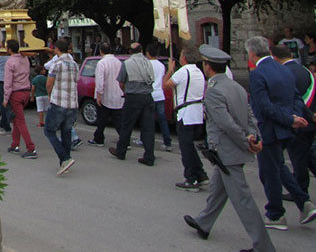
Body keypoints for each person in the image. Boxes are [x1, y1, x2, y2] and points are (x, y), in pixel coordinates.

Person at [183, 44, 275, 252]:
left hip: (227, 151)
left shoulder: (214, 91)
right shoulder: (236, 87)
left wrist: (246, 141)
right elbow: (250, 115)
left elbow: (225, 124)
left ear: (208, 67)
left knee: (243, 201)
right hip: (231, 151)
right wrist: (254, 136)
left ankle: (263, 246)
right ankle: (204, 223)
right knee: (218, 189)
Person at [245, 36, 316, 229]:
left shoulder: (258, 74)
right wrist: (293, 117)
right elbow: (296, 97)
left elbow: (263, 106)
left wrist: (289, 118)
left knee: (270, 173)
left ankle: (276, 214)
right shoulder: (283, 70)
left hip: (269, 129)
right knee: (277, 168)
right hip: (285, 128)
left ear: (251, 54)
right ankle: (304, 203)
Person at [270, 44, 316, 195]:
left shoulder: (283, 73)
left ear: (275, 57)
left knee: (298, 158)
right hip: (310, 119)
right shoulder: (305, 70)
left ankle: (300, 190)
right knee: (306, 156)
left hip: (296, 120)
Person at [163, 43, 208, 191]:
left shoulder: (184, 71)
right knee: (190, 146)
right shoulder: (199, 72)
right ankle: (200, 174)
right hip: (196, 112)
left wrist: (170, 70)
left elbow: (166, 85)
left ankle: (191, 178)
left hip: (186, 113)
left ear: (184, 58)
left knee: (186, 147)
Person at [109, 42, 155, 166]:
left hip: (133, 97)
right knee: (148, 128)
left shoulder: (127, 63)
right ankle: (149, 156)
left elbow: (121, 81)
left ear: (130, 51)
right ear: (141, 50)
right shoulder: (148, 62)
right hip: (148, 96)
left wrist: (126, 91)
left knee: (127, 125)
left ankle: (121, 150)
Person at [44, 39, 79, 175]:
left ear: (57, 49)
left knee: (49, 131)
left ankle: (65, 158)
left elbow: (49, 83)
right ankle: (64, 163)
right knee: (66, 132)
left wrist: (50, 94)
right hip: (72, 103)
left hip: (58, 102)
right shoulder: (75, 64)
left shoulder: (56, 64)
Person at [4, 39, 37, 159]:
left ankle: (31, 147)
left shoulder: (10, 62)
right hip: (25, 91)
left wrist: (5, 98)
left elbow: (8, 82)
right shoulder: (25, 59)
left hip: (15, 93)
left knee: (20, 121)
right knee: (17, 120)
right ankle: (15, 144)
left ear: (9, 49)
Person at [88, 42, 123, 147]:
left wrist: (99, 93)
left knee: (102, 119)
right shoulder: (119, 62)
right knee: (118, 119)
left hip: (106, 94)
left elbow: (100, 80)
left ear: (101, 51)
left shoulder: (102, 63)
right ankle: (124, 139)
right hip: (118, 93)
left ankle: (99, 139)